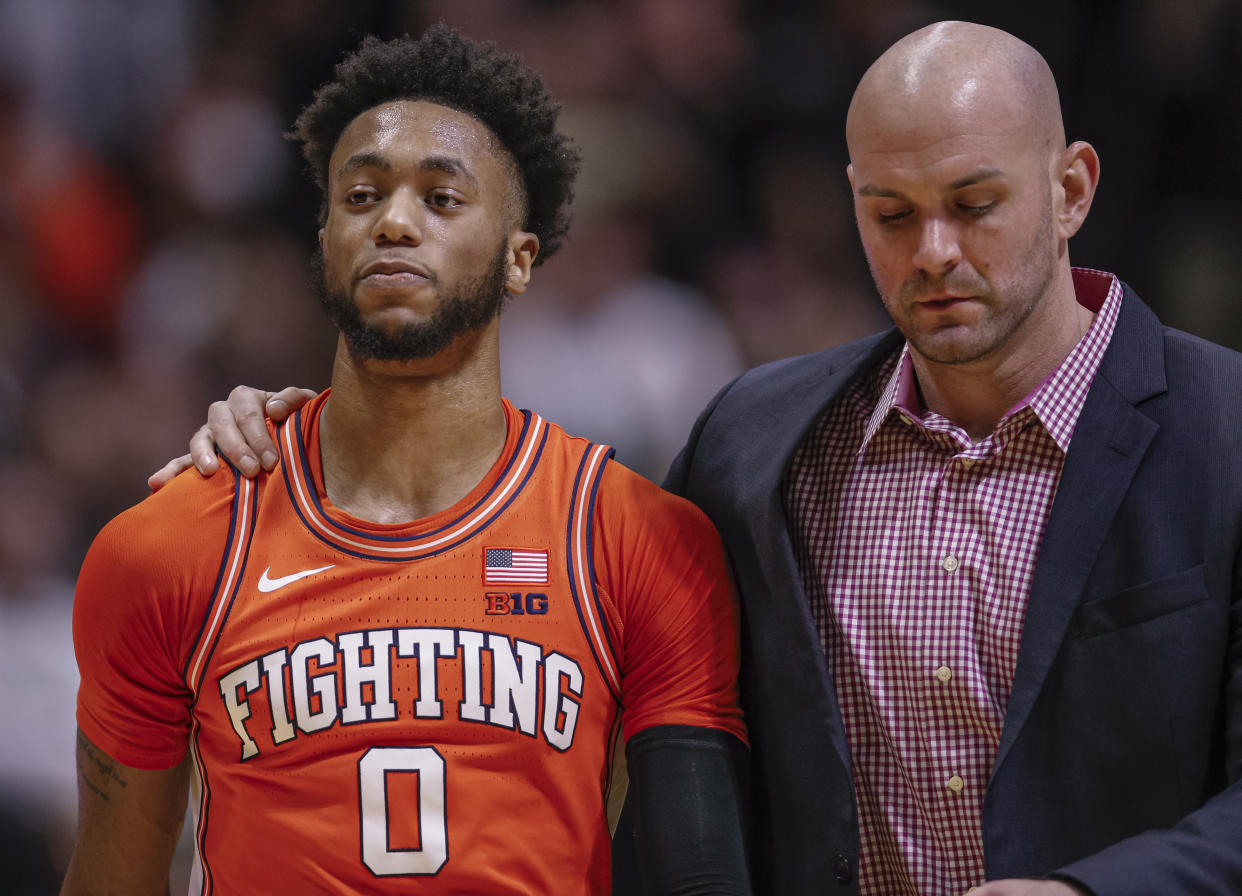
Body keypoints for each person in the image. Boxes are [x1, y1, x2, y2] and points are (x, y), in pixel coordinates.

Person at [155, 20, 1242, 896]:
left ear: (1071, 190)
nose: (934, 252)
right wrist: (306, 438)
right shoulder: (756, 443)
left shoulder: (1224, 429)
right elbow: (516, 557)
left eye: (975, 204)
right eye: (891, 213)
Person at [65, 26, 751, 896]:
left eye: (441, 198)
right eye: (359, 196)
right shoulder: (169, 546)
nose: (393, 220)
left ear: (519, 258)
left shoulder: (635, 540)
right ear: (324, 243)